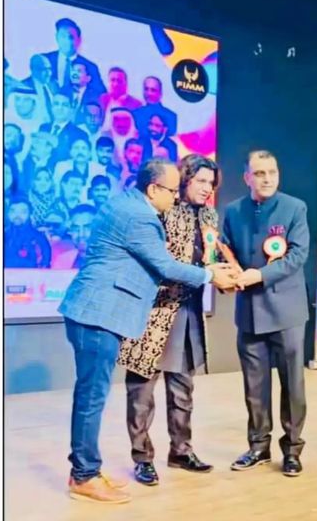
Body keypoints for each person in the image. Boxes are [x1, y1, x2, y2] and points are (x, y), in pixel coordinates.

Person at [58, 158, 238, 504]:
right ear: (154, 189)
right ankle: (84, 476)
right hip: (99, 313)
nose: (176, 197)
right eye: (172, 190)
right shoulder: (141, 216)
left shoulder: (128, 202)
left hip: (99, 311)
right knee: (92, 398)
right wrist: (211, 276)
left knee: (92, 396)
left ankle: (87, 468)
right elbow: (165, 265)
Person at [118, 155, 221, 486]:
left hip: (189, 310)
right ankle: (142, 458)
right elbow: (156, 262)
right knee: (141, 391)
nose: (207, 188)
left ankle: (181, 451)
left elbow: (210, 258)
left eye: (211, 183)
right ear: (184, 180)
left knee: (183, 387)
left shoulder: (209, 215)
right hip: (153, 312)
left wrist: (224, 274)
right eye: (201, 181)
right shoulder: (160, 211)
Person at [222, 149, 309, 477]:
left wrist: (259, 275)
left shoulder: (294, 208)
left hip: (287, 311)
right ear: (247, 177)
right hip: (249, 312)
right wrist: (228, 273)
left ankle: (293, 449)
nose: (267, 178)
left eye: (272, 172)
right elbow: (225, 249)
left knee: (292, 384)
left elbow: (297, 255)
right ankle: (258, 446)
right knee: (254, 386)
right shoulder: (233, 211)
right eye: (259, 173)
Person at [42, 18, 106, 92]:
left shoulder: (90, 67)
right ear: (56, 37)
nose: (66, 41)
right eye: (63, 36)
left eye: (71, 37)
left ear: (79, 39)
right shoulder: (44, 60)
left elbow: (101, 94)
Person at [39, 91, 89, 161]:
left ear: (71, 109)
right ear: (51, 107)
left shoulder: (79, 134)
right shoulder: (43, 128)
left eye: (64, 105)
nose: (60, 108)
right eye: (56, 104)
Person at [4, 197, 51, 268]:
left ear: (30, 215)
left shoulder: (39, 238)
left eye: (23, 212)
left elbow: (45, 264)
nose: (17, 215)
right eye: (13, 211)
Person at [23, 54, 58, 123]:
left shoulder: (54, 84)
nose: (49, 73)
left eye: (49, 69)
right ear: (33, 69)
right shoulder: (24, 87)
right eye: (44, 69)